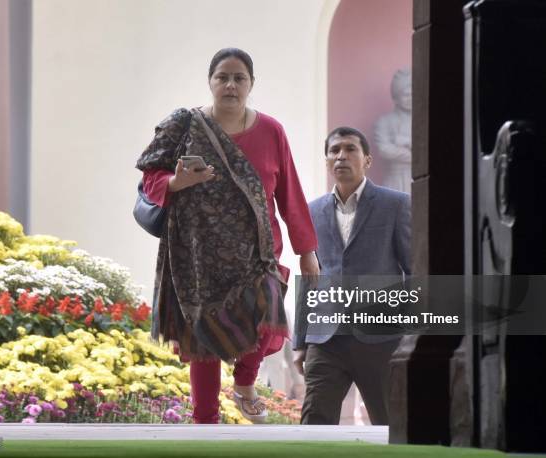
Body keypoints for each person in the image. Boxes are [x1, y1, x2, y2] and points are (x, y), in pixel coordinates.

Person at [135, 48, 319, 424]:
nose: (231, 85)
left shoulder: (271, 130)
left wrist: (307, 250)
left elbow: (290, 194)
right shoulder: (183, 125)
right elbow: (150, 177)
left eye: (239, 78)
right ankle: (205, 422)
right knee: (203, 340)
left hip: (258, 251)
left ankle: (245, 382)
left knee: (268, 308)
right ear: (210, 82)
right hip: (196, 253)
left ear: (251, 84)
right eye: (223, 77)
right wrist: (178, 181)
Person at [293, 126, 411, 425]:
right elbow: (309, 278)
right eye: (334, 151)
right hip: (325, 340)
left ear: (367, 160)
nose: (340, 156)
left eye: (349, 149)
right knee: (314, 425)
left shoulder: (395, 205)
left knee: (391, 426)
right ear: (327, 161)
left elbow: (414, 271)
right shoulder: (312, 211)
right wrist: (300, 341)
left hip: (381, 339)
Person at [373, 69, 412, 194]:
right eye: (406, 95)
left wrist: (402, 141)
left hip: (420, 177)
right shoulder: (384, 121)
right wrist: (415, 156)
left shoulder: (424, 121)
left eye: (413, 94)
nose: (410, 98)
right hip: (395, 179)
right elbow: (384, 150)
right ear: (396, 96)